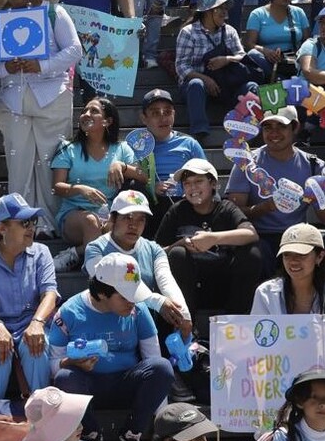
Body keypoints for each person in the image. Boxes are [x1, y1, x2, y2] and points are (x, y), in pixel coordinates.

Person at [48, 252, 174, 441]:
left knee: (162, 367)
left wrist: (162, 424)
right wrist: (73, 362)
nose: (132, 302)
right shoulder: (69, 312)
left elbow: (154, 357)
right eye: (125, 296)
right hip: (87, 387)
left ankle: (131, 435)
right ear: (103, 293)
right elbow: (53, 365)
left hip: (126, 384)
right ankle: (89, 434)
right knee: (65, 376)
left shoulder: (139, 310)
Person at [0, 0, 82, 235]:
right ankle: (21, 225)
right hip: (12, 101)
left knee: (52, 164)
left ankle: (51, 225)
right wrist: (9, 68)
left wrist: (43, 65)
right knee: (19, 165)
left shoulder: (55, 13)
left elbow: (75, 50)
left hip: (52, 96)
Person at [225, 105, 325, 283]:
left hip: (299, 235)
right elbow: (233, 213)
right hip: (261, 236)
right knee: (254, 253)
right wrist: (267, 207)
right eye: (268, 127)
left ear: (295, 127)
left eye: (281, 126)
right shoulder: (246, 162)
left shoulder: (314, 165)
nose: (274, 133)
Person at [252, 223, 325, 415]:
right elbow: (256, 342)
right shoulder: (265, 293)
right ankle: (269, 427)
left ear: (319, 256)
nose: (293, 261)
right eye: (287, 255)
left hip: (324, 370)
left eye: (301, 255)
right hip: (279, 370)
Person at [0, 194, 57, 400]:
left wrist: (37, 323)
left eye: (33, 221)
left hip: (32, 323)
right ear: (1, 228)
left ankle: (42, 413)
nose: (31, 227)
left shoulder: (42, 252)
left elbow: (50, 294)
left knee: (36, 344)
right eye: (25, 222)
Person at [156, 157, 261, 315]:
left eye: (199, 181)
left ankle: (236, 321)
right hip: (189, 284)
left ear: (213, 184)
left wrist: (213, 238)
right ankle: (186, 324)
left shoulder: (226, 208)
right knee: (177, 254)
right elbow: (156, 251)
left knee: (253, 254)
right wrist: (180, 244)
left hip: (225, 282)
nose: (193, 187)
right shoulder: (177, 211)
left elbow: (251, 234)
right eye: (187, 183)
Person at [85, 189, 192, 342]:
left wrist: (184, 315)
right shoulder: (95, 249)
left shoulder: (153, 248)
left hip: (145, 319)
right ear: (113, 219)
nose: (133, 225)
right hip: (109, 318)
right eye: (127, 217)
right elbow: (106, 284)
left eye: (140, 219)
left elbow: (165, 279)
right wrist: (157, 301)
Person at [50, 97, 142, 271]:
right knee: (91, 221)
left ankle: (75, 254)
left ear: (108, 121)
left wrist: (121, 165)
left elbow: (142, 177)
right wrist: (79, 189)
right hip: (73, 216)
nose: (86, 114)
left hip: (108, 213)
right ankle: (96, 275)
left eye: (94, 111)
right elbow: (57, 186)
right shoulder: (68, 147)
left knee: (116, 228)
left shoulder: (122, 149)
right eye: (84, 111)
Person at [174, 0, 254, 143]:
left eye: (225, 8)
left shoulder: (230, 31)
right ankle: (200, 132)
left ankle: (248, 132)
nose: (224, 12)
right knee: (195, 84)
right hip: (197, 86)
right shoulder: (188, 32)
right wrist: (205, 79)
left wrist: (227, 59)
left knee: (251, 87)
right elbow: (181, 67)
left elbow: (241, 55)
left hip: (227, 83)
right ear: (207, 12)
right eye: (220, 8)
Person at [135, 89, 207, 231]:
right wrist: (151, 189)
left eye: (167, 112)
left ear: (174, 114)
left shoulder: (189, 143)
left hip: (185, 201)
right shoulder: (136, 146)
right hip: (148, 205)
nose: (163, 118)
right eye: (155, 113)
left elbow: (207, 177)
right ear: (144, 118)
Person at [244, 0, 310, 83]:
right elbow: (249, 44)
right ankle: (280, 80)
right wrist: (266, 51)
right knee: (253, 55)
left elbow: (308, 41)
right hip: (267, 61)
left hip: (293, 60)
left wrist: (299, 54)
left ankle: (284, 80)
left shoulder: (299, 13)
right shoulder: (257, 14)